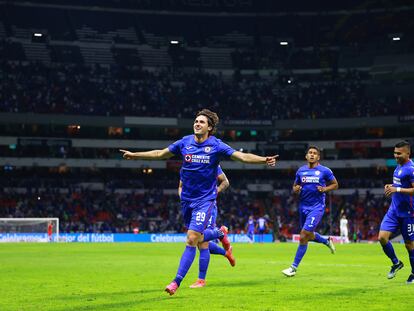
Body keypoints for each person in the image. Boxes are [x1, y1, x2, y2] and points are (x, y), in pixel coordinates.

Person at [120, 109, 278, 295]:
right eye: (196, 121)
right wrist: (134, 155)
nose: (197, 123)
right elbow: (160, 153)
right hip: (187, 200)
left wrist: (263, 160)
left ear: (209, 127)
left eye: (201, 122)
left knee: (192, 239)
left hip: (205, 200)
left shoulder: (216, 146)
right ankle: (220, 233)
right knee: (198, 239)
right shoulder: (184, 142)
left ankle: (176, 282)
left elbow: (241, 157)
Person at [282, 145, 338, 277]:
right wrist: (295, 189)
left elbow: (335, 184)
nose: (312, 155)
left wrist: (325, 189)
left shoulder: (325, 171)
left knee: (303, 235)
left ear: (318, 157)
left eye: (314, 153)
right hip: (303, 207)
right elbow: (295, 186)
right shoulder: (301, 171)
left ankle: (293, 268)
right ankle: (326, 241)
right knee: (308, 235)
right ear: (306, 156)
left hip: (316, 207)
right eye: (310, 153)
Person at [178, 165, 236, 289]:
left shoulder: (211, 161)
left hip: (206, 206)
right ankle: (225, 251)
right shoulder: (187, 165)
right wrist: (183, 198)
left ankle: (201, 280)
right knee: (200, 241)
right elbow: (181, 186)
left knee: (201, 242)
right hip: (190, 206)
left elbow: (225, 182)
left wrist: (214, 193)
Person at [378, 140, 414, 284]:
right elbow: (399, 184)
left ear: (408, 153)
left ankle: (413, 272)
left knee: (409, 245)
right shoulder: (398, 167)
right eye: (395, 153)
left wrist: (396, 189)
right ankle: (396, 262)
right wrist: (391, 186)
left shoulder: (411, 168)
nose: (396, 156)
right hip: (394, 210)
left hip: (408, 213)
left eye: (399, 153)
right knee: (382, 238)